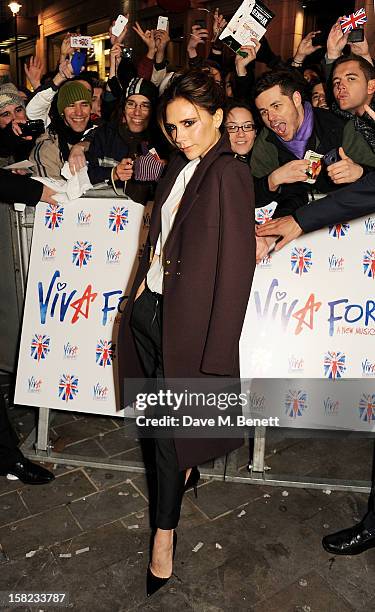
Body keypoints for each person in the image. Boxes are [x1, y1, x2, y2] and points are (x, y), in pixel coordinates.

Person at [117, 70, 255, 596]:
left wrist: (219, 350)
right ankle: (181, 483)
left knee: (171, 440)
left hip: (190, 328)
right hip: (152, 314)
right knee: (157, 427)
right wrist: (134, 300)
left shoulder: (229, 173)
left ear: (218, 116)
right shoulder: (179, 164)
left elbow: (236, 268)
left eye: (190, 123)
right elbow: (159, 235)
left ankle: (164, 535)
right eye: (173, 127)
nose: (181, 136)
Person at [250, 68, 375, 217]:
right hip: (293, 225)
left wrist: (360, 172)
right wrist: (272, 180)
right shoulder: (266, 140)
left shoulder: (339, 126)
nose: (271, 118)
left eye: (276, 106)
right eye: (264, 112)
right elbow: (248, 196)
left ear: (296, 99)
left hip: (344, 223)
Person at [85, 77, 165, 202]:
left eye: (145, 106)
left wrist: (163, 172)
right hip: (107, 213)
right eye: (131, 104)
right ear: (123, 107)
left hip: (147, 217)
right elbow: (84, 176)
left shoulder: (163, 142)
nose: (137, 112)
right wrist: (114, 173)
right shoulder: (106, 135)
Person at [29, 80, 92, 180]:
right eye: (71, 105)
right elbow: (50, 193)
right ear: (61, 111)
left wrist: (83, 145)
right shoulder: (47, 149)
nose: (79, 112)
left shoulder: (101, 135)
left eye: (84, 104)